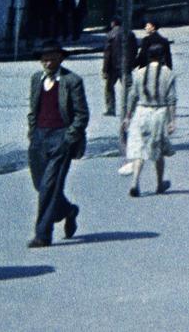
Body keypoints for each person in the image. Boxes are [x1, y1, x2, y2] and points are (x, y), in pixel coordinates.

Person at [26, 40, 87, 248]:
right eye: (45, 58)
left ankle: (42, 234)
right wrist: (32, 132)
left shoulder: (72, 81)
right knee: (41, 186)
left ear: (60, 58)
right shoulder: (36, 79)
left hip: (61, 137)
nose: (48, 62)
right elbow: (33, 109)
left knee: (50, 186)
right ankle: (68, 210)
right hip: (39, 139)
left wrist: (68, 138)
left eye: (52, 58)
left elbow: (81, 115)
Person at [124, 44, 176, 197]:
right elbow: (172, 98)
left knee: (139, 149)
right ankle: (159, 184)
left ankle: (134, 182)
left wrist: (128, 116)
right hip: (159, 112)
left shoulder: (139, 73)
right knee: (157, 150)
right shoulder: (168, 73)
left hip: (141, 112)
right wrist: (172, 120)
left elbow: (132, 96)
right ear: (162, 57)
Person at [102, 16, 136, 117]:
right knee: (129, 88)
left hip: (113, 67)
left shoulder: (110, 34)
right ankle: (131, 109)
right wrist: (132, 63)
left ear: (113, 23)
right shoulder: (130, 33)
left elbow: (107, 54)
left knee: (109, 88)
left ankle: (111, 108)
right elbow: (134, 50)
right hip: (126, 66)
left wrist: (105, 69)